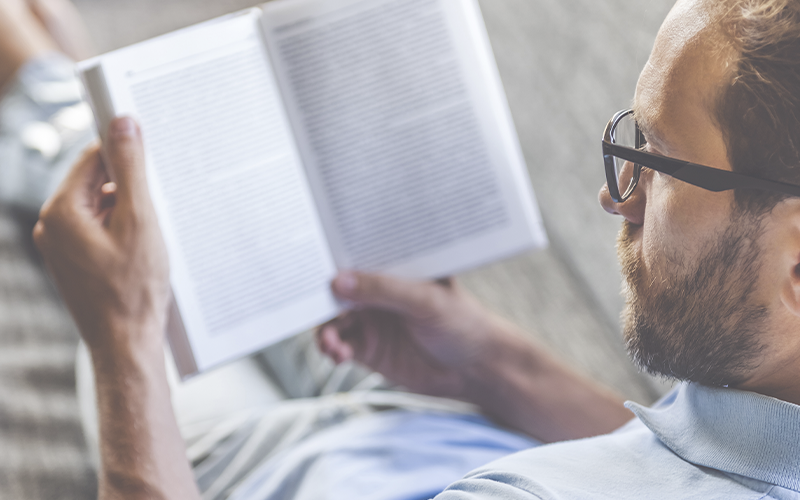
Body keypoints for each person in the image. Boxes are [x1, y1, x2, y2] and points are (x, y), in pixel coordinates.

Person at [12, 0, 800, 498]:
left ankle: (39, 93)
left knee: (142, 226)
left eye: (655, 162)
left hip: (241, 470)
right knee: (247, 223)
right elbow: (681, 459)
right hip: (440, 416)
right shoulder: (757, 365)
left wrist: (124, 345)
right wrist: (486, 360)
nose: (615, 195)